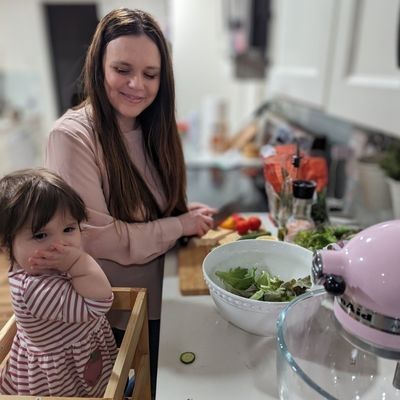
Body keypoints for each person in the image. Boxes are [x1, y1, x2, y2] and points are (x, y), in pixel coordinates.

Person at [45, 8, 216, 397]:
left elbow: (146, 209)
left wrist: (179, 213)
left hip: (168, 291)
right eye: (122, 69)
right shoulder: (71, 137)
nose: (137, 85)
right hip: (122, 313)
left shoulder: (150, 125)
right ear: (98, 66)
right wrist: (178, 226)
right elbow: (94, 240)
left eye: (150, 74)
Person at [0, 168, 118, 396]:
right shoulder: (36, 289)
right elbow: (100, 302)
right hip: (63, 376)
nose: (60, 245)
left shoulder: (43, 265)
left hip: (80, 352)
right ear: (7, 245)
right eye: (40, 235)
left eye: (69, 229)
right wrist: (79, 261)